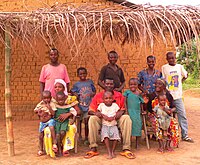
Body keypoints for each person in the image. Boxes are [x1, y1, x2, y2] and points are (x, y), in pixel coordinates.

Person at [84, 78, 135, 159]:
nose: (109, 86)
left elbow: (123, 109)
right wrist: (97, 113)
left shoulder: (119, 95)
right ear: (104, 84)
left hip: (116, 119)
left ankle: (126, 148)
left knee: (126, 118)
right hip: (102, 119)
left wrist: (117, 115)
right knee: (92, 119)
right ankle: (93, 148)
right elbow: (91, 110)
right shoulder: (98, 96)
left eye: (111, 84)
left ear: (114, 85)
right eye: (107, 84)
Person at [162, 52, 193, 143]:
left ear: (175, 58)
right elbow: (163, 80)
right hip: (168, 96)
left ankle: (185, 135)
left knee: (182, 114)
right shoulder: (164, 68)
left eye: (173, 58)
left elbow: (185, 76)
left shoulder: (179, 67)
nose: (171, 60)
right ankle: (167, 134)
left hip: (178, 95)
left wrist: (180, 82)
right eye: (169, 58)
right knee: (166, 114)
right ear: (167, 59)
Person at [147, 78, 179, 147]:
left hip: (166, 115)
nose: (157, 85)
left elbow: (174, 107)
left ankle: (168, 144)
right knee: (157, 122)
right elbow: (148, 108)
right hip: (155, 115)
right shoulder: (151, 95)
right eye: (156, 83)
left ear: (164, 86)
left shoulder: (168, 95)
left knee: (173, 122)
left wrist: (170, 110)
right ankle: (161, 145)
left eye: (159, 84)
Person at [71, 67, 96, 143]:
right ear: (78, 75)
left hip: (88, 105)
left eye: (84, 73)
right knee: (79, 121)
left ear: (86, 73)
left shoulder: (90, 82)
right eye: (80, 74)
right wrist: (75, 94)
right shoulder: (76, 84)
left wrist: (93, 94)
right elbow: (72, 92)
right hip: (80, 106)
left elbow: (94, 91)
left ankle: (86, 137)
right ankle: (79, 136)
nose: (83, 75)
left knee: (87, 121)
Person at [97, 91, 121, 159]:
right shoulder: (101, 105)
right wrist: (103, 116)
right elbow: (98, 112)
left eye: (110, 98)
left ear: (113, 98)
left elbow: (118, 112)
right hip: (105, 125)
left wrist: (113, 117)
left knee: (116, 137)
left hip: (113, 124)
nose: (108, 100)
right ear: (103, 99)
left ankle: (113, 151)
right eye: (106, 98)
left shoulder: (115, 105)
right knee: (106, 137)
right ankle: (109, 152)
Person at [34, 90, 57, 156]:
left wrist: (49, 108)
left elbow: (53, 114)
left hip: (50, 120)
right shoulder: (40, 104)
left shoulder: (52, 104)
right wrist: (38, 111)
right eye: (45, 98)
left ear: (51, 97)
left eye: (48, 98)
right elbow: (35, 110)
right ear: (42, 98)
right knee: (40, 136)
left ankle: (54, 143)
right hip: (43, 122)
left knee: (51, 128)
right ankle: (41, 149)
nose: (46, 100)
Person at [123, 78, 145, 149]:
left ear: (137, 85)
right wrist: (126, 111)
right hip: (129, 112)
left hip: (137, 112)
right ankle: (128, 143)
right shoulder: (127, 93)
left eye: (135, 84)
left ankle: (137, 143)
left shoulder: (139, 94)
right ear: (128, 85)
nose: (133, 86)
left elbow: (141, 103)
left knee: (137, 127)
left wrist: (142, 110)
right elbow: (125, 102)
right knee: (129, 127)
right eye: (131, 84)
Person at [54, 91, 77, 156]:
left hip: (64, 122)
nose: (61, 101)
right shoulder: (55, 106)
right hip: (57, 122)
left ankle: (59, 145)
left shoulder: (68, 106)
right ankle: (59, 148)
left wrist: (73, 120)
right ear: (56, 99)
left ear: (65, 99)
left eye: (62, 100)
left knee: (62, 133)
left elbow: (74, 112)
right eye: (59, 100)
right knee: (58, 135)